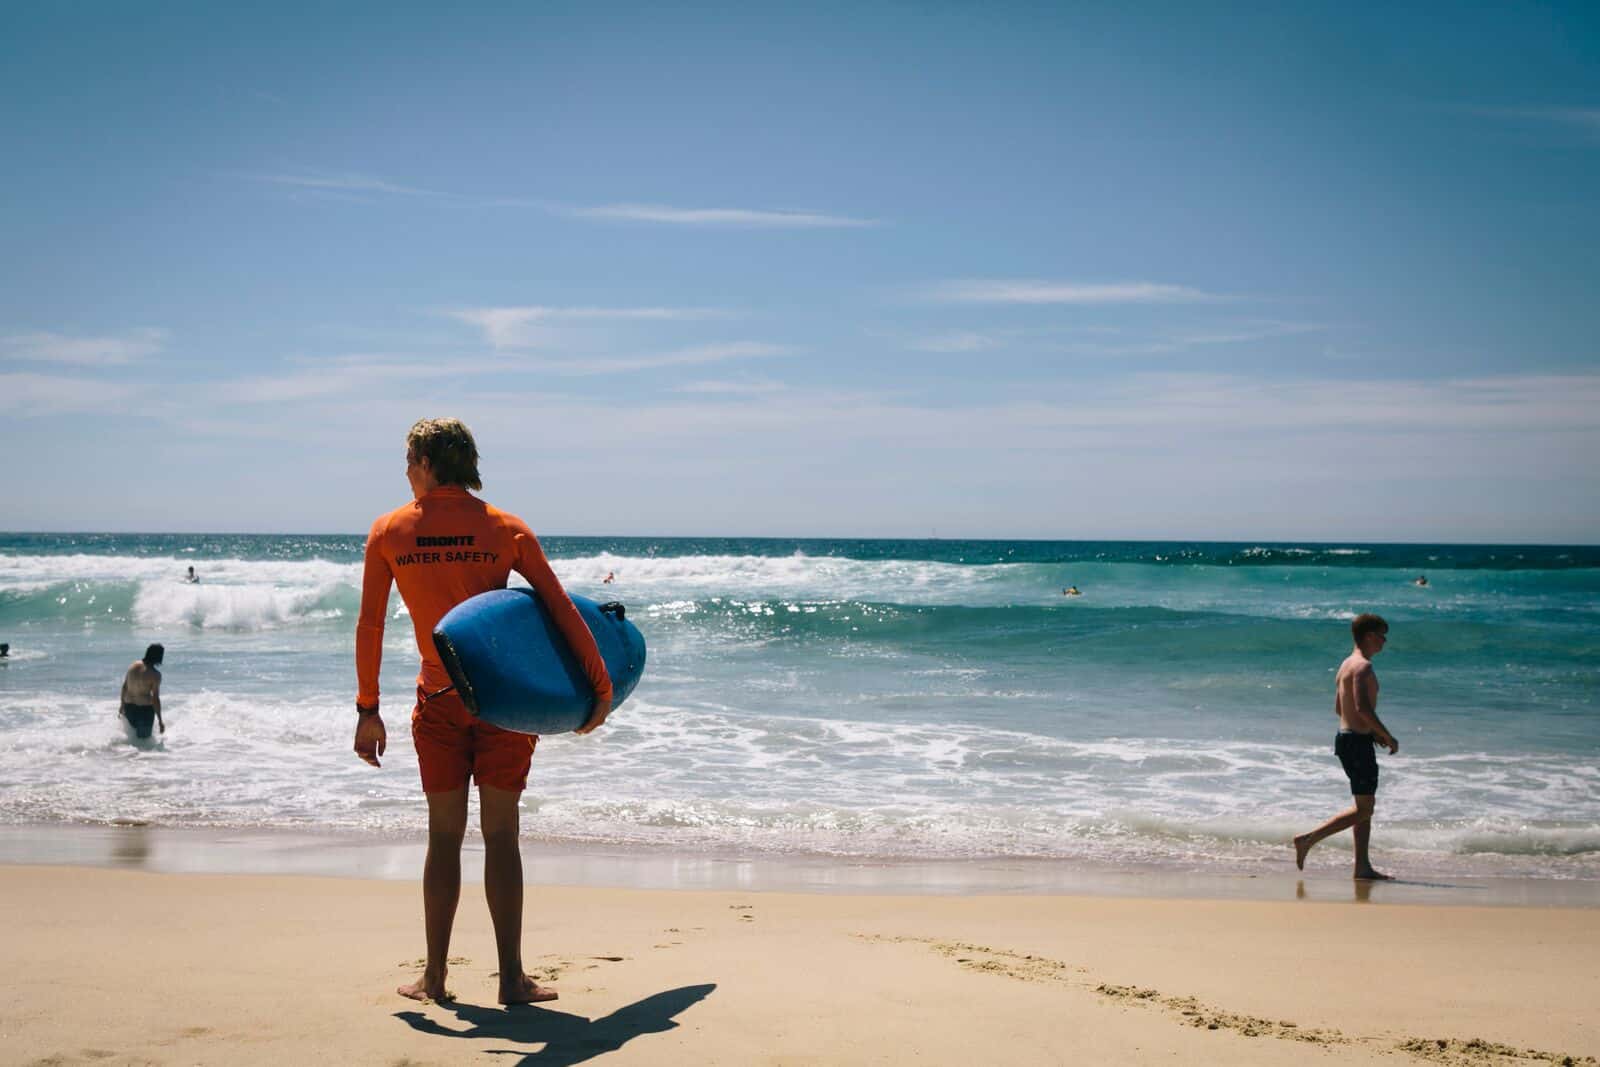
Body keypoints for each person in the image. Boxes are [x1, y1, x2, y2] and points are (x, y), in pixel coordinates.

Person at [354, 417, 613, 1006]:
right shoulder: (504, 528)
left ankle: (436, 978)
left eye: (408, 460)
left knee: (443, 838)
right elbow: (561, 611)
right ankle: (512, 979)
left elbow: (369, 625)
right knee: (502, 836)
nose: (404, 471)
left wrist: (368, 708)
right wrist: (598, 691)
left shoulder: (389, 530)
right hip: (504, 706)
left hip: (439, 701)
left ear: (425, 462)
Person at [1293, 614, 1399, 880]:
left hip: (1346, 738)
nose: (1384, 641)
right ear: (1369, 636)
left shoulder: (1346, 665)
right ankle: (1308, 839)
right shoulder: (1363, 667)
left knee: (1363, 805)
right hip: (1357, 742)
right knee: (1365, 809)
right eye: (1381, 635)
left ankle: (1362, 867)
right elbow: (1362, 707)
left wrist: (1367, 732)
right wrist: (1385, 734)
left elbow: (1339, 708)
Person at [120, 643, 165, 739]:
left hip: (129, 707)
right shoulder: (155, 675)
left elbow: (124, 686)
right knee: (144, 743)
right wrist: (160, 721)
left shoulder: (133, 665)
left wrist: (122, 705)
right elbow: (155, 699)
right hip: (144, 711)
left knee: (131, 739)